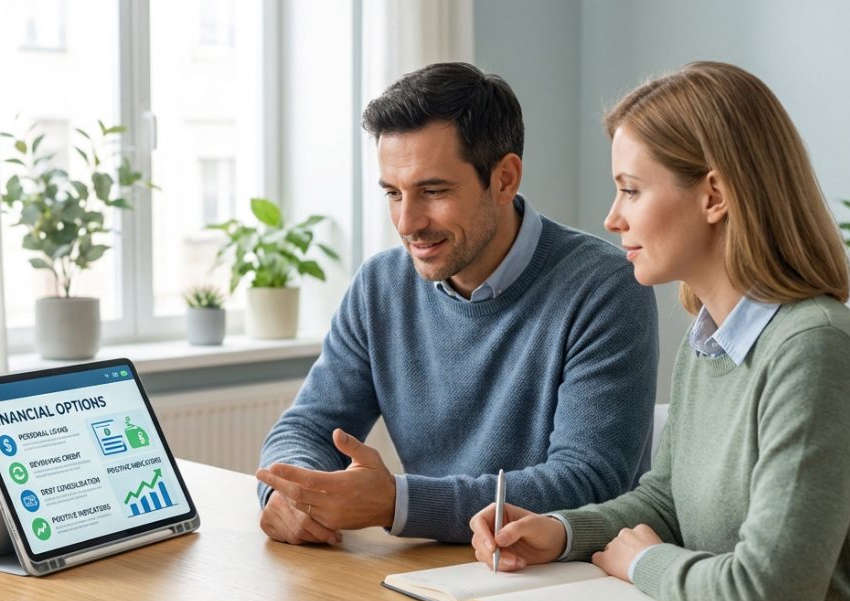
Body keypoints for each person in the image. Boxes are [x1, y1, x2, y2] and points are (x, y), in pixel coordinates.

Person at [469, 61, 850, 601]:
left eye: (631, 189)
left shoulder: (815, 349)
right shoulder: (709, 340)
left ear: (714, 195)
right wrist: (562, 532)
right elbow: (666, 500)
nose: (612, 218)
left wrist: (646, 564)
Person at [255, 62, 658, 545]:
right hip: (434, 573)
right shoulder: (380, 285)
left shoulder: (606, 287)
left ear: (505, 179)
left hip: (568, 582)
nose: (408, 222)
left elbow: (587, 481)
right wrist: (294, 494)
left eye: (433, 191)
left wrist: (398, 503)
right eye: (393, 193)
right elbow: (307, 426)